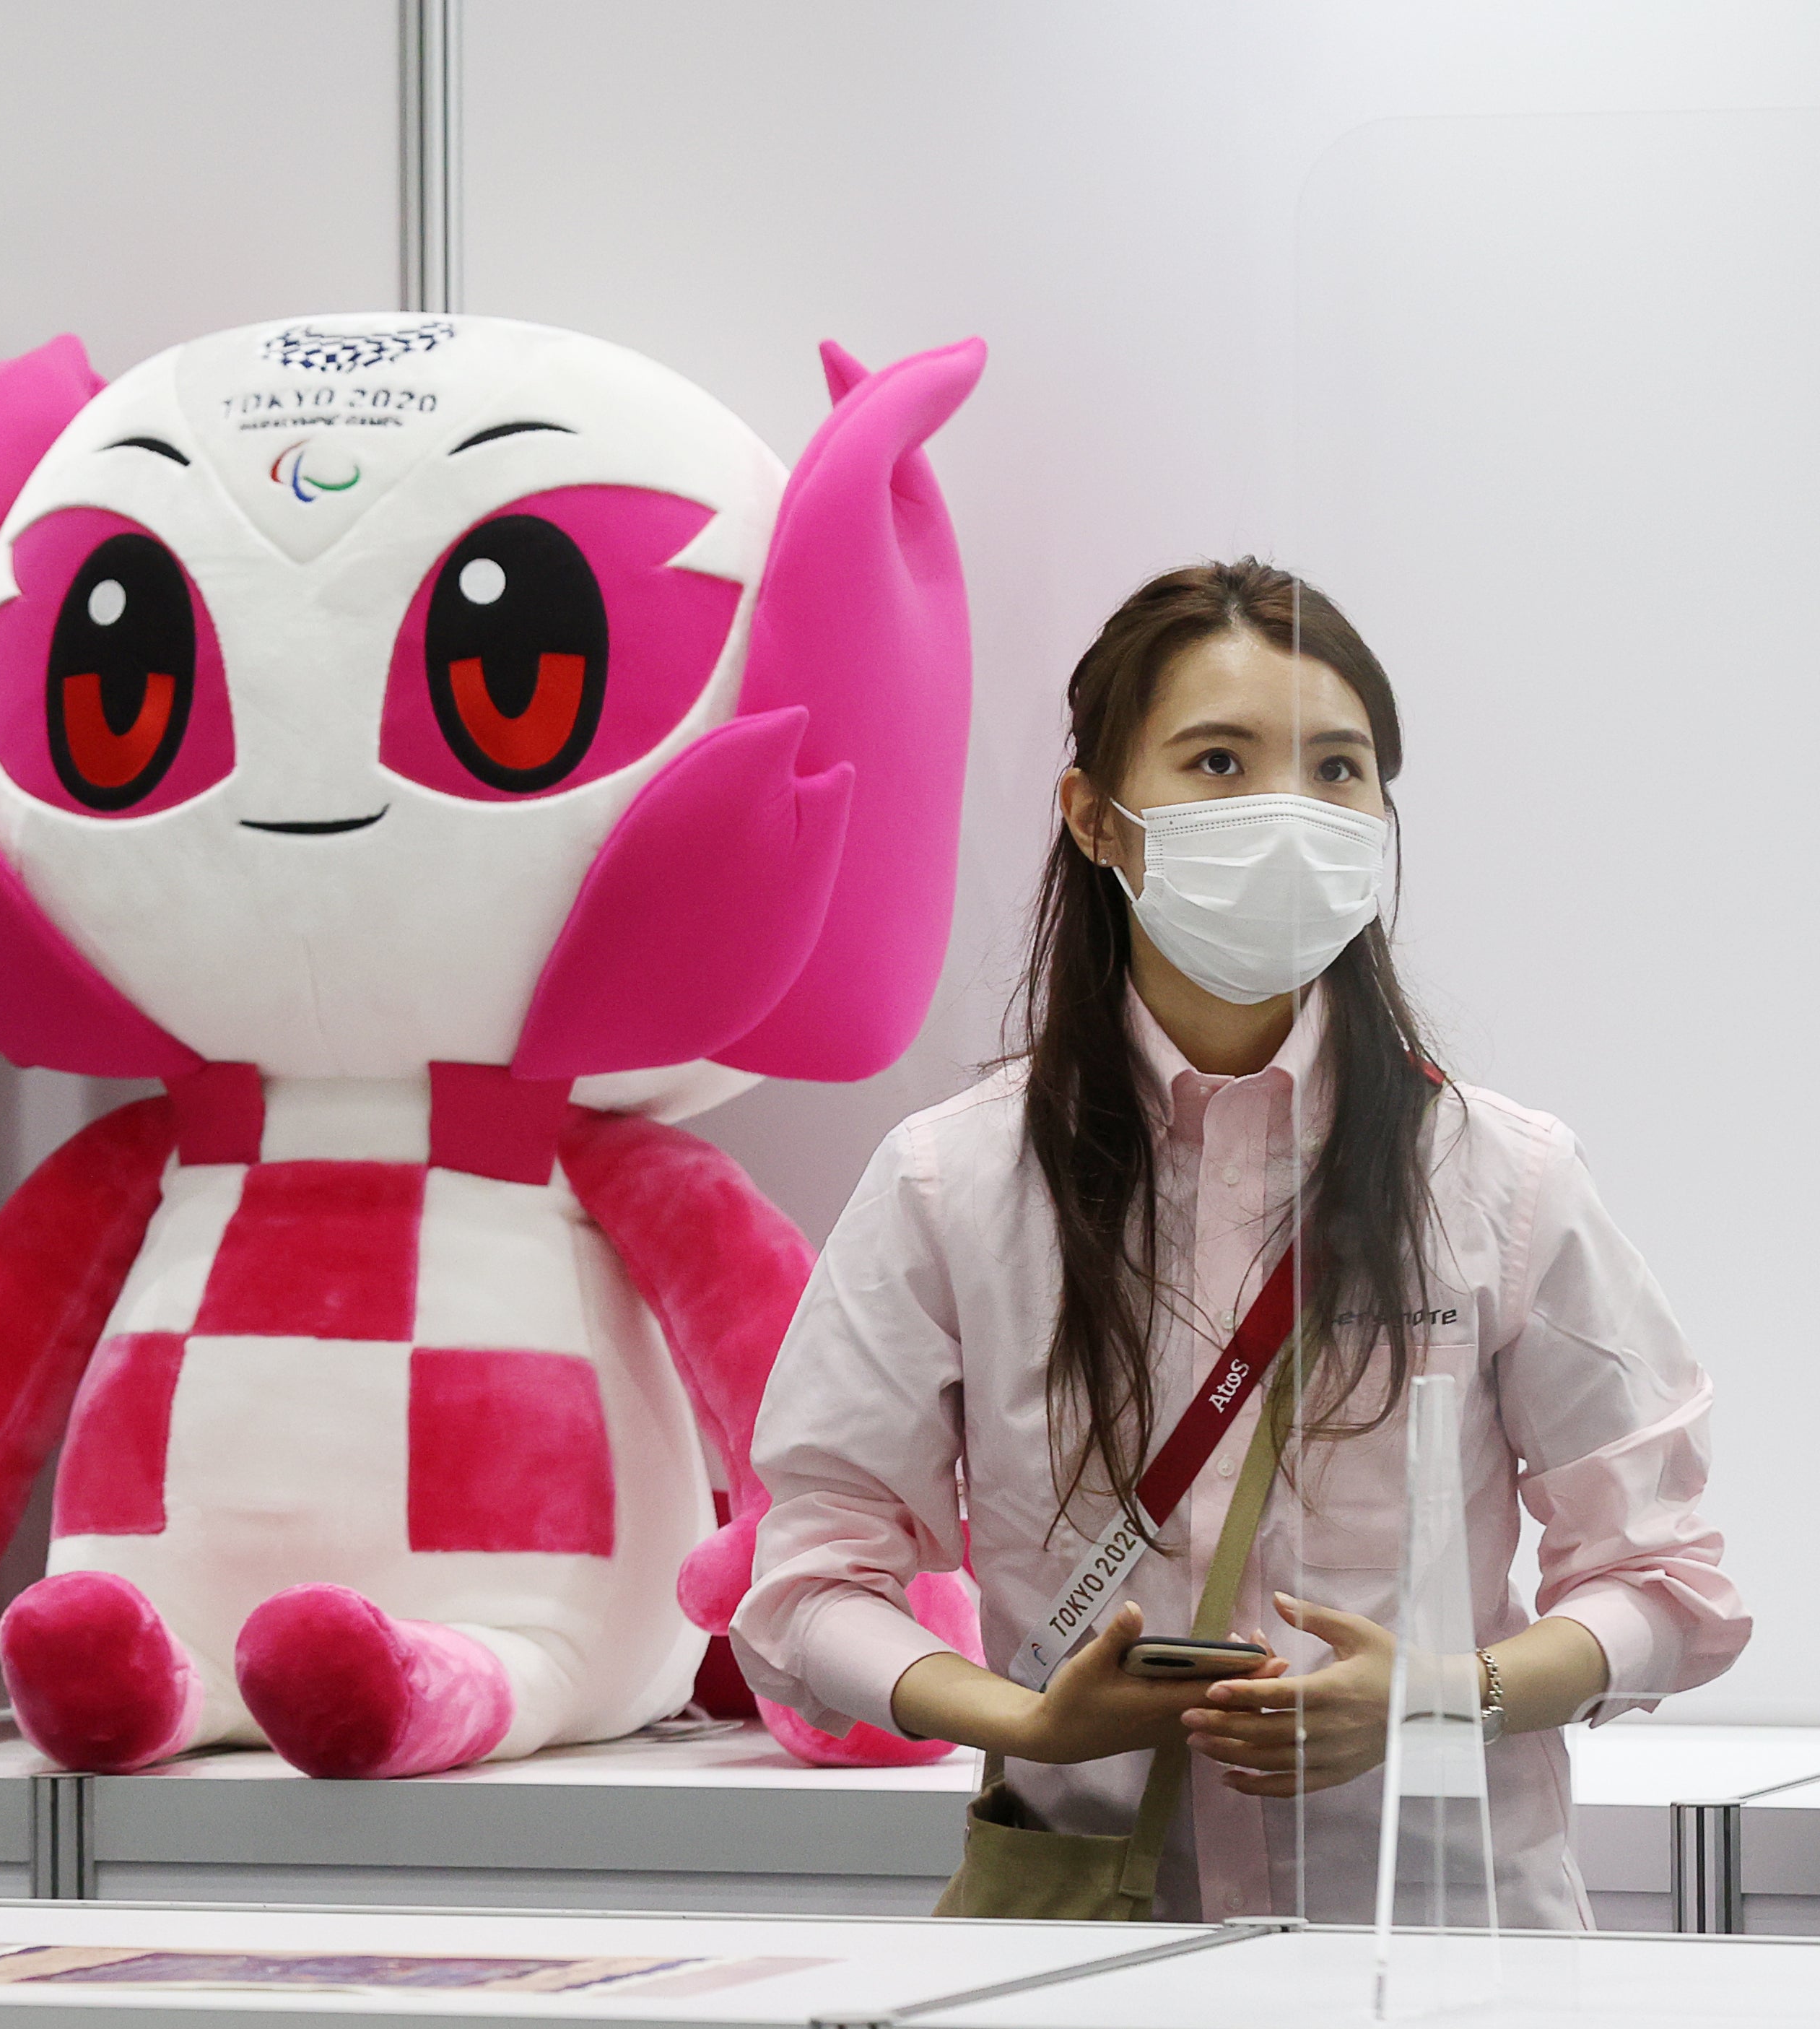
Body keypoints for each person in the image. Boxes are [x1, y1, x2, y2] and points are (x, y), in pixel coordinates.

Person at [730, 559, 1748, 1926]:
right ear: (1097, 816)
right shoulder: (951, 1183)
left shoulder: (1503, 1177)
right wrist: (1024, 1723)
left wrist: (1449, 1695)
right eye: (1219, 761)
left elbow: (1663, 1579)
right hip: (1087, 1960)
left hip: (1443, 1945)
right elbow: (809, 1583)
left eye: (1339, 771)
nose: (1288, 811)